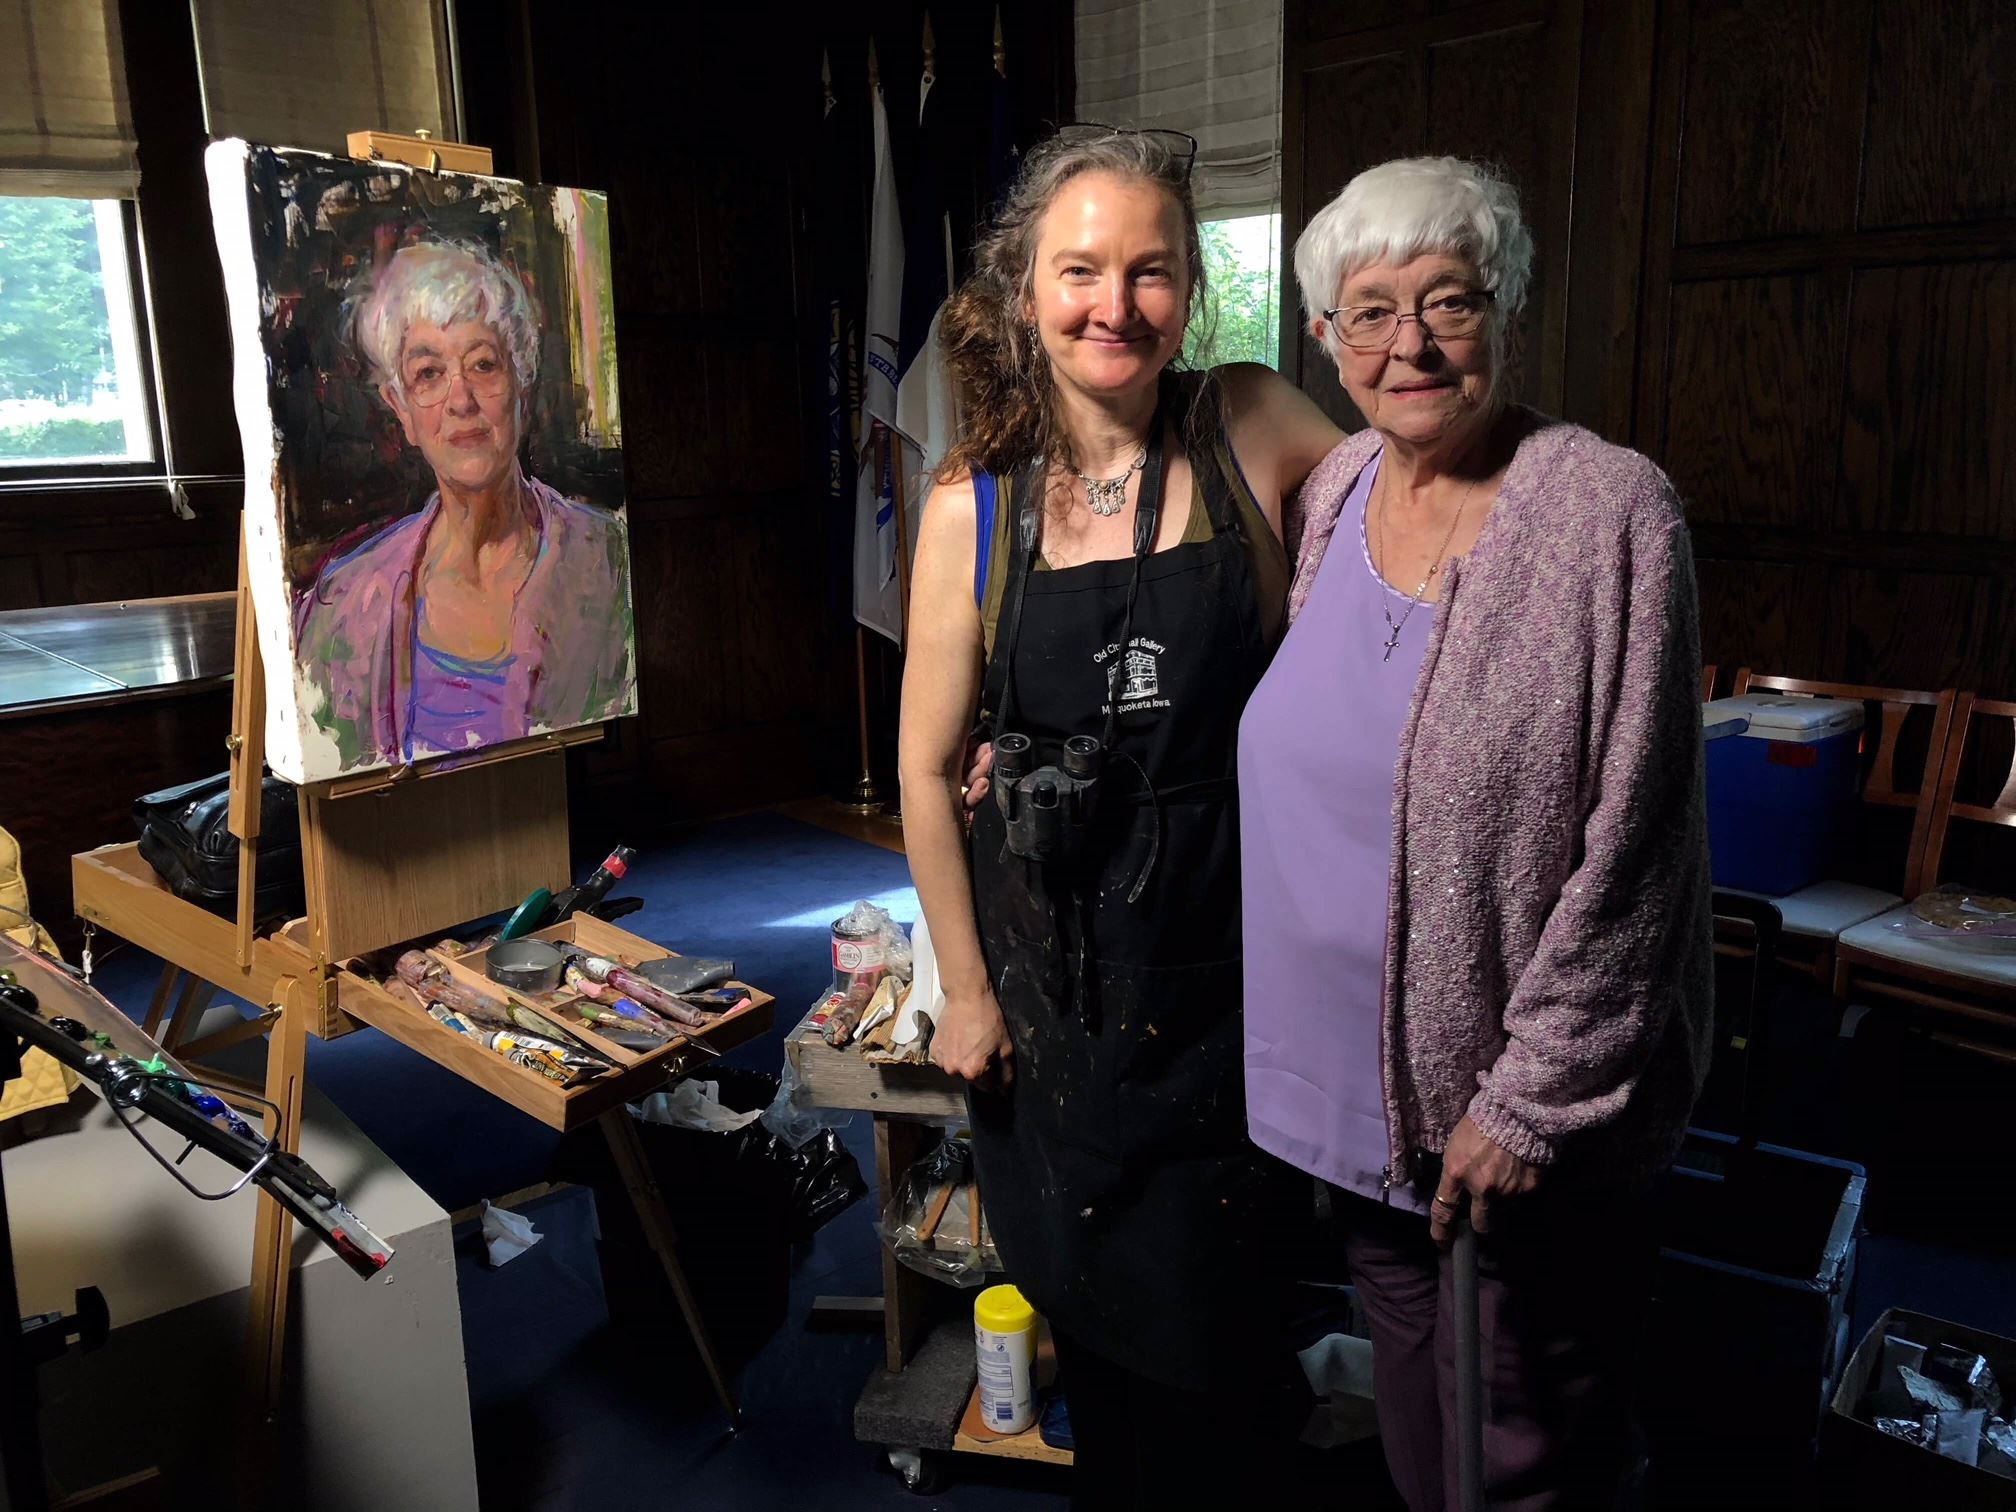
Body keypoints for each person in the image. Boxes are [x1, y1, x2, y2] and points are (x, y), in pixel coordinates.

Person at [1238, 154, 1714, 1511]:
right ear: (1323, 337)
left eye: (1448, 300)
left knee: (1520, 1445)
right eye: (1371, 311)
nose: (1412, 345)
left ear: (1504, 309)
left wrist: (1530, 1102)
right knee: (1414, 1411)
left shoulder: (1609, 512)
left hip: (1504, 1115)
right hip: (1348, 1100)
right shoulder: (1335, 492)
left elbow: (1643, 855)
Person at [899, 126, 1338, 1507]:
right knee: (1103, 1364)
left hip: (1237, 991)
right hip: (1060, 1011)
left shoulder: (1251, 422)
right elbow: (925, 769)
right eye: (1080, 270)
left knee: (1232, 1364)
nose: (1115, 305)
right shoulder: (973, 503)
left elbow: (1416, 521)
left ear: (1191, 290)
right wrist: (967, 994)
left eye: (1151, 271)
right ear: (1027, 288)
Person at [294, 239, 633, 772]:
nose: (460, 400)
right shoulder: (345, 605)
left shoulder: (611, 564)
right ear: (401, 409)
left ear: (521, 385)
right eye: (428, 374)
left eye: (483, 364)